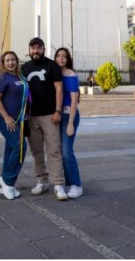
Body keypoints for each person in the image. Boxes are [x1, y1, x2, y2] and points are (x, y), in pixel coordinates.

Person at [21, 37, 67, 200]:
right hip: (31, 116)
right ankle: (41, 180)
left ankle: (58, 184)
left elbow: (59, 89)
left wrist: (58, 111)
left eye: (38, 48)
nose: (35, 51)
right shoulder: (24, 68)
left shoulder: (52, 65)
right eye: (32, 48)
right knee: (36, 151)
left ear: (43, 49)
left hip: (50, 115)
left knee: (54, 149)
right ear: (29, 50)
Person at [0, 51, 29, 200]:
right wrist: (6, 117)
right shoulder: (2, 78)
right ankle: (7, 180)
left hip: (19, 119)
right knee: (20, 146)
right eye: (7, 60)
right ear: (3, 62)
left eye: (13, 59)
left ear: (17, 61)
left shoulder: (20, 76)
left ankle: (6, 183)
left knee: (10, 149)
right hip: (5, 119)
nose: (10, 63)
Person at [55, 48, 83, 199]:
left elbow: (74, 101)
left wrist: (70, 123)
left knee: (67, 152)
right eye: (58, 56)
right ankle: (62, 182)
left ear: (68, 59)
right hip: (57, 116)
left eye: (64, 56)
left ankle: (76, 185)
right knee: (58, 152)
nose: (61, 58)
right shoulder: (54, 74)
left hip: (68, 116)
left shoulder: (71, 75)